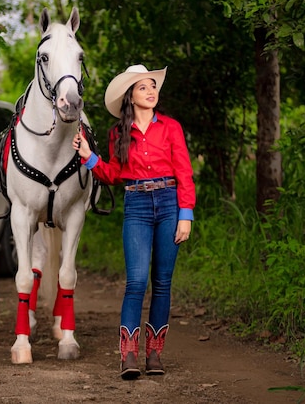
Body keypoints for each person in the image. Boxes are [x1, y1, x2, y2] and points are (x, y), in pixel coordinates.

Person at [73, 64, 195, 380]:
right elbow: (115, 174)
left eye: (153, 86)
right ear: (131, 96)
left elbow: (184, 173)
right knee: (137, 281)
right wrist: (89, 156)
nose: (151, 91)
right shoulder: (118, 134)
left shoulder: (171, 127)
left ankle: (154, 354)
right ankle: (128, 356)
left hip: (170, 204)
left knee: (163, 282)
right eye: (143, 87)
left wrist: (186, 214)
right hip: (137, 206)